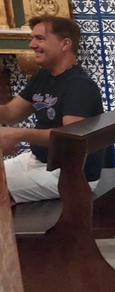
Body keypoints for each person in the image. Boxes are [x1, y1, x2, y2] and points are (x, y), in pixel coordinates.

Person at [0, 16, 104, 204]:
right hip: (38, 161)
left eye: (40, 38)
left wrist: (16, 134)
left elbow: (70, 139)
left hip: (69, 173)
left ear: (65, 44)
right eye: (32, 39)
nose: (32, 45)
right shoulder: (43, 76)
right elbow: (11, 113)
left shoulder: (79, 86)